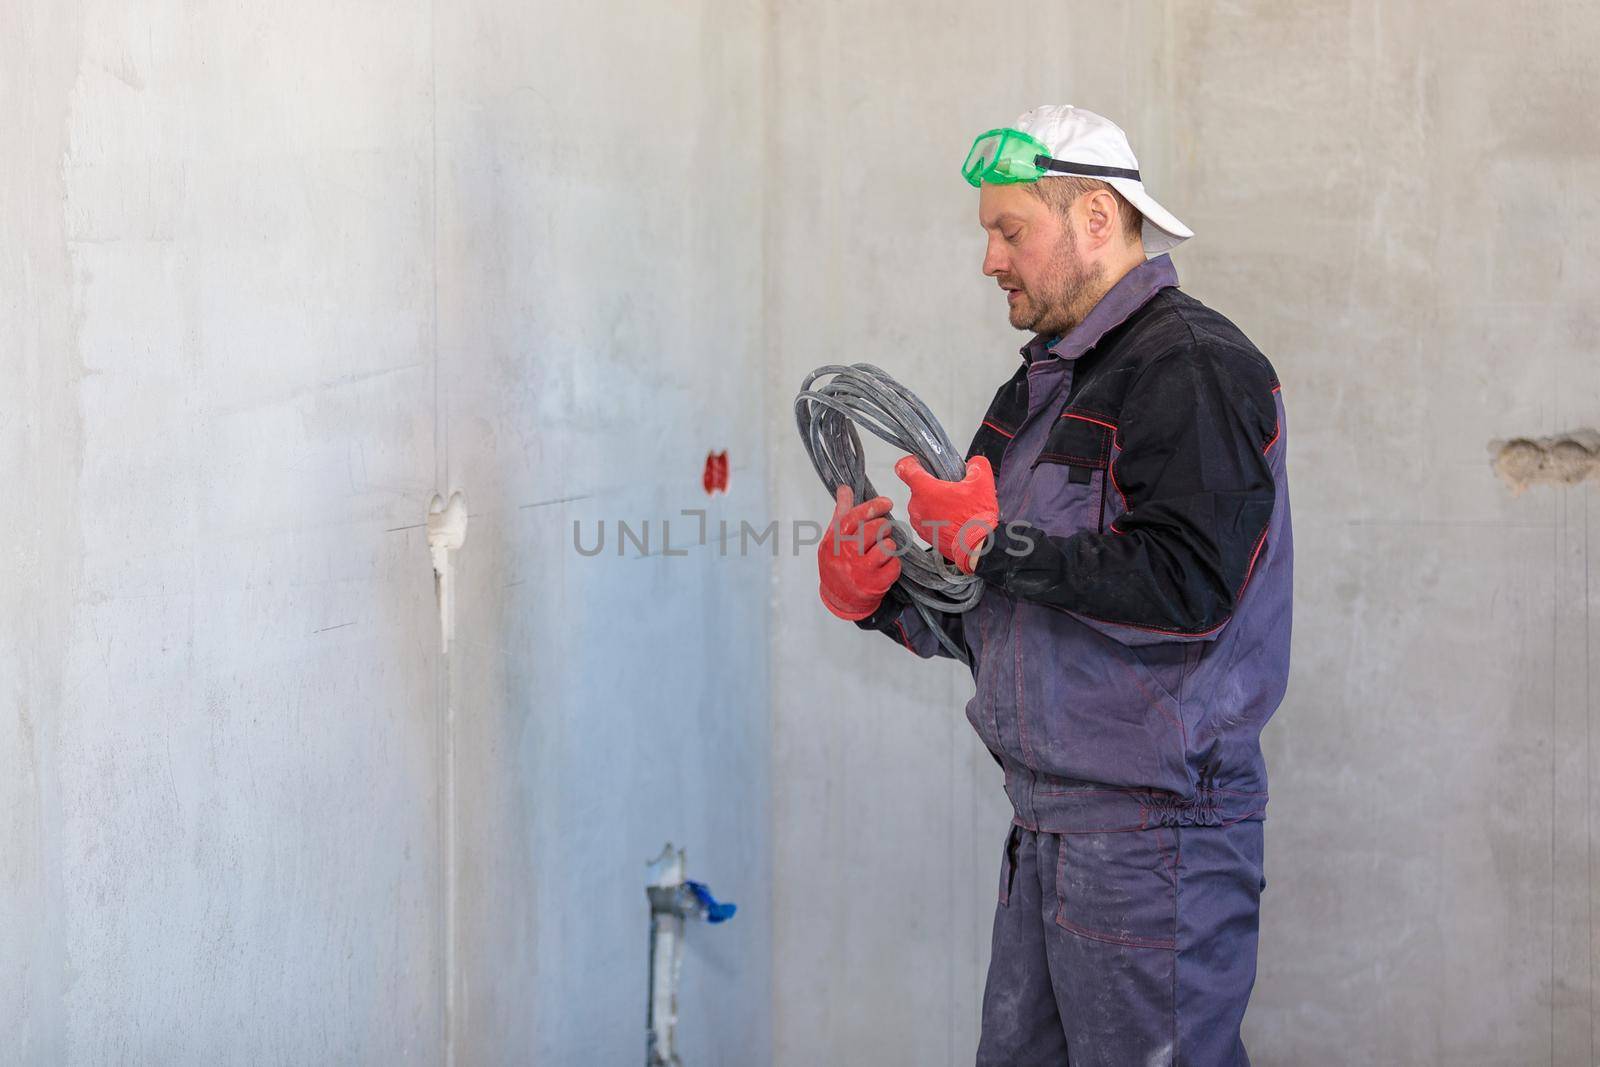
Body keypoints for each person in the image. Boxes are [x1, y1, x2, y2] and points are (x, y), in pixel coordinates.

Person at [815, 105, 1292, 1065]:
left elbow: (1196, 581)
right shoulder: (1039, 388)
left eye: (1009, 231)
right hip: (1049, 831)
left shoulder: (1191, 367)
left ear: (1096, 220)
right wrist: (884, 599)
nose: (990, 260)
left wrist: (995, 547)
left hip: (1159, 838)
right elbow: (993, 610)